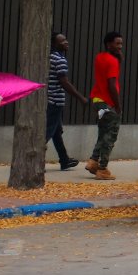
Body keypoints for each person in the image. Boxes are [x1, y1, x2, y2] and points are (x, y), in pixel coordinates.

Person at [48, 32, 88, 171]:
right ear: (54, 44)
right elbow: (64, 82)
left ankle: (64, 160)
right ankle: (35, 161)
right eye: (62, 41)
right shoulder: (59, 60)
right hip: (54, 101)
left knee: (56, 131)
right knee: (47, 132)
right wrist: (81, 98)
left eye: (65, 39)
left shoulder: (50, 57)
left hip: (49, 100)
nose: (66, 42)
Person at [86, 32, 124, 180]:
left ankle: (93, 161)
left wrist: (118, 59)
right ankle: (102, 169)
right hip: (108, 102)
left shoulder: (99, 57)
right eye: (117, 43)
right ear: (108, 44)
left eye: (121, 43)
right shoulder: (112, 61)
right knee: (111, 136)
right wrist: (117, 105)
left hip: (97, 100)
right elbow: (112, 84)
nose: (120, 46)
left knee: (103, 133)